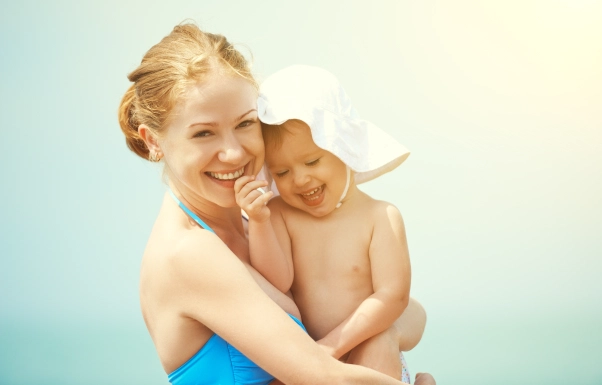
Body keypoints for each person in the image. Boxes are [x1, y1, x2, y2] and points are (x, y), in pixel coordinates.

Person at [118, 23, 434, 385]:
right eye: (203, 132)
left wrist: (387, 334)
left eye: (245, 124)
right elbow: (323, 374)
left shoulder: (261, 222)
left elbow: (402, 306)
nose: (234, 151)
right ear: (153, 141)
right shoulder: (188, 253)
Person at [235, 65, 423, 381]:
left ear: (342, 147)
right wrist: (259, 221)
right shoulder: (280, 213)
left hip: (363, 352)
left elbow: (393, 296)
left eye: (312, 161)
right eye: (281, 172)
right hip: (314, 358)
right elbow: (277, 281)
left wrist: (332, 347)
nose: (300, 178)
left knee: (377, 347)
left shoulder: (380, 217)